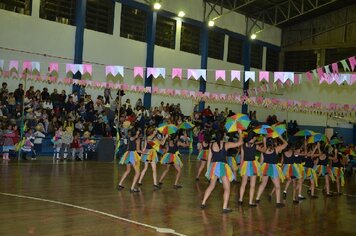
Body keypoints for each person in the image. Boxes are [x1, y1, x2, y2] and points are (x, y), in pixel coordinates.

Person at [201, 129, 243, 213]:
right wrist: (240, 133)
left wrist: (209, 171)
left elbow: (209, 159)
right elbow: (240, 143)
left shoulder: (212, 145)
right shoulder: (226, 144)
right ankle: (224, 207)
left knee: (211, 186)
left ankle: (203, 202)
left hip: (214, 166)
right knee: (227, 188)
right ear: (223, 136)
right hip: (222, 167)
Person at [255, 136, 288, 208]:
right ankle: (278, 203)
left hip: (265, 167)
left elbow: (261, 162)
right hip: (273, 168)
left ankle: (257, 199)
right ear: (273, 143)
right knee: (277, 186)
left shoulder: (263, 150)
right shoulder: (276, 149)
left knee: (263, 184)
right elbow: (286, 144)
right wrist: (280, 137)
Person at [238, 132, 264, 207]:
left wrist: (241, 167)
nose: (256, 138)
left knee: (243, 184)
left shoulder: (243, 146)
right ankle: (250, 202)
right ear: (253, 138)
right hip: (253, 166)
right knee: (252, 185)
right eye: (255, 137)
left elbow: (242, 158)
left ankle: (240, 200)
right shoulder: (255, 146)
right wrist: (264, 143)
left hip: (245, 165)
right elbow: (264, 151)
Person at [118, 128, 142, 193]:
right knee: (137, 173)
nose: (139, 132)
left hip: (128, 155)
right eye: (138, 131)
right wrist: (145, 152)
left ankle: (120, 184)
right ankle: (132, 188)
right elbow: (138, 150)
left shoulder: (129, 138)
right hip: (133, 155)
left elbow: (127, 147)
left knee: (128, 170)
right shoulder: (137, 139)